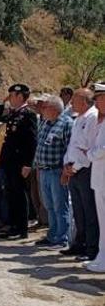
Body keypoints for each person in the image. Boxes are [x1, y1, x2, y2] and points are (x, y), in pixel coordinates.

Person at [62, 88, 99, 261]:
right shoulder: (79, 118)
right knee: (78, 211)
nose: (71, 103)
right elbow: (73, 146)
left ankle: (91, 249)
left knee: (89, 211)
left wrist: (74, 167)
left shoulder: (92, 117)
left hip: (85, 170)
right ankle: (79, 243)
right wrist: (67, 165)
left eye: (74, 100)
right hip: (74, 169)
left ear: (84, 101)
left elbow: (88, 148)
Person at [0, 84, 38, 240]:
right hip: (8, 161)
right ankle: (13, 225)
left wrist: (28, 163)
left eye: (12, 95)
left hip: (20, 162)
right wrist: (3, 102)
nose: (10, 98)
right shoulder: (14, 114)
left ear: (20, 96)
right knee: (11, 193)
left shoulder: (28, 115)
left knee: (19, 194)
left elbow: (32, 141)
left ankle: (21, 228)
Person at [33, 95, 73, 249]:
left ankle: (62, 238)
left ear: (54, 109)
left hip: (57, 171)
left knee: (60, 205)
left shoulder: (66, 124)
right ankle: (52, 234)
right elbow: (40, 147)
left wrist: (65, 171)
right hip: (44, 171)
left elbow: (69, 149)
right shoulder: (45, 123)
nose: (42, 110)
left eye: (45, 107)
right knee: (49, 205)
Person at [84, 83, 105, 272]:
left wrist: (90, 154)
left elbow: (102, 150)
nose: (97, 103)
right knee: (102, 221)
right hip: (99, 178)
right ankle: (101, 256)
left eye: (98, 98)